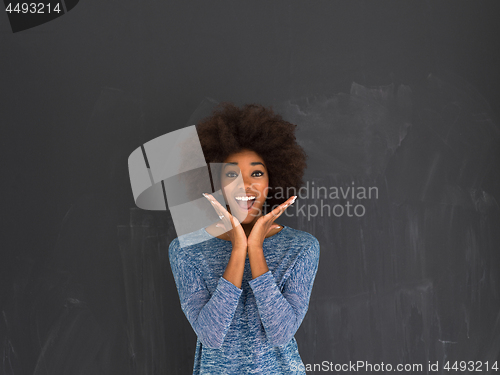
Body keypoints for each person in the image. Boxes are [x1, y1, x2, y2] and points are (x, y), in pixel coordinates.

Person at [168, 102, 320, 374]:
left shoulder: (301, 248)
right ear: (215, 183)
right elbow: (212, 336)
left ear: (273, 179)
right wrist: (239, 248)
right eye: (230, 174)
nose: (244, 184)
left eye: (257, 173)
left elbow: (281, 333)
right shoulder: (186, 250)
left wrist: (256, 250)